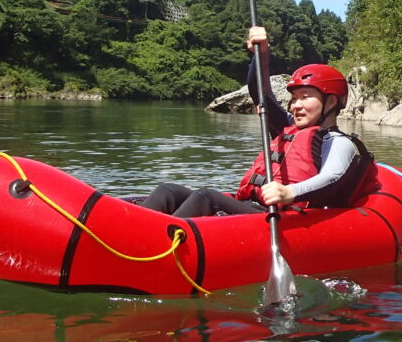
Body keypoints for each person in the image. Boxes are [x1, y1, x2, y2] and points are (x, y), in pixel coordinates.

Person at [142, 26, 378, 218]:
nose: (296, 105)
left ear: (330, 102)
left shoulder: (338, 142)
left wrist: (289, 192)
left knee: (206, 196)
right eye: (294, 98)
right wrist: (261, 53)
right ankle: (133, 231)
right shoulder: (287, 127)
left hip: (281, 214)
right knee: (168, 190)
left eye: (305, 97)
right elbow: (260, 93)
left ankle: (156, 245)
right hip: (252, 206)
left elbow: (331, 177)